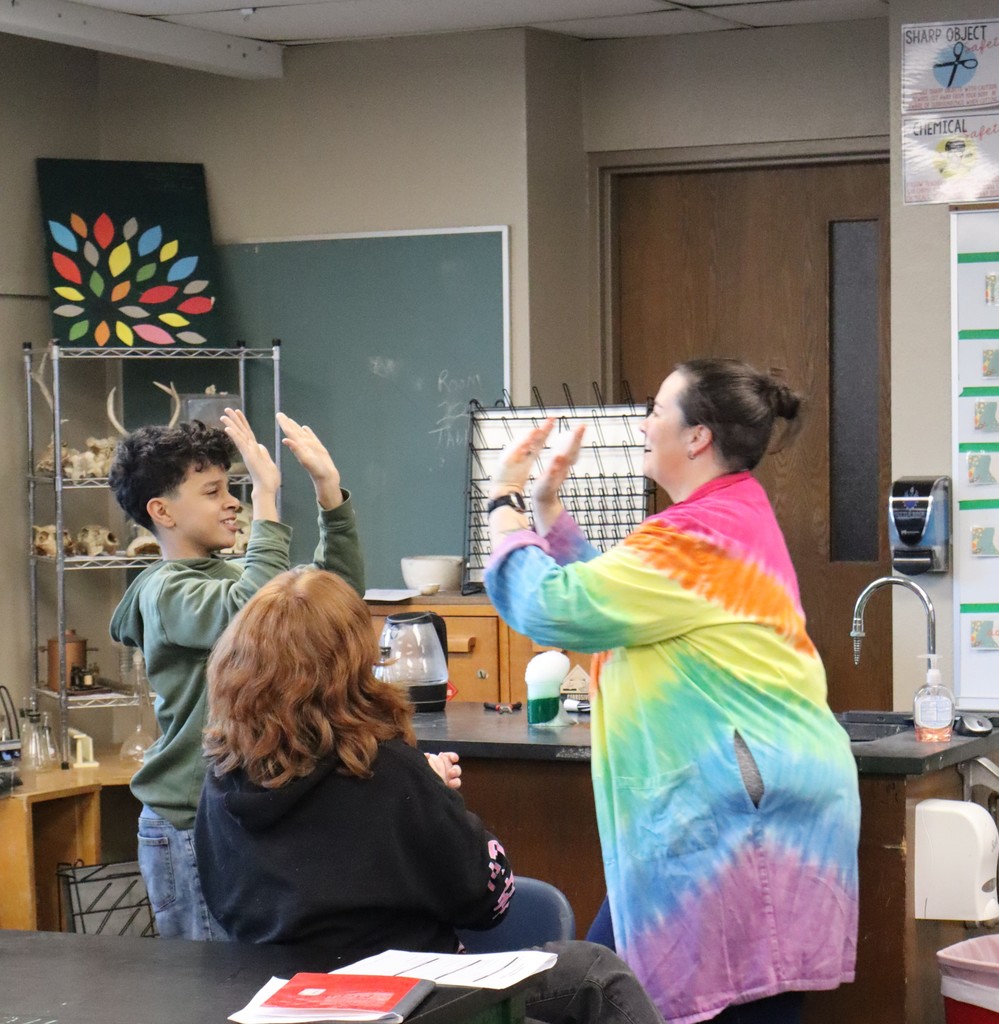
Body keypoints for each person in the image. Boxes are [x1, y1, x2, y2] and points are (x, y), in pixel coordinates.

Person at [483, 359, 860, 1024]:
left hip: (741, 825)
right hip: (720, 819)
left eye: (657, 410)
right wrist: (547, 511)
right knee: (606, 988)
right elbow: (619, 606)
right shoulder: (717, 520)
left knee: (640, 995)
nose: (643, 423)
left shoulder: (699, 537)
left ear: (697, 437)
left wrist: (504, 502)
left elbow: (553, 606)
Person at [194, 568, 666, 1024]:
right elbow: (491, 901)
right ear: (351, 665)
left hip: (281, 999)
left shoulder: (221, 780)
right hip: (409, 999)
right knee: (597, 974)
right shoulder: (384, 771)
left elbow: (225, 905)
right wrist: (435, 793)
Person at [108, 408, 364, 941]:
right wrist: (266, 498)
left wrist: (329, 493)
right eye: (213, 491)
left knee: (245, 977)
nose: (233, 502)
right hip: (188, 823)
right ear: (162, 511)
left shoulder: (229, 575)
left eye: (234, 488)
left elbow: (334, 600)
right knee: (209, 981)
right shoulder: (164, 592)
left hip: (235, 812)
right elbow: (248, 612)